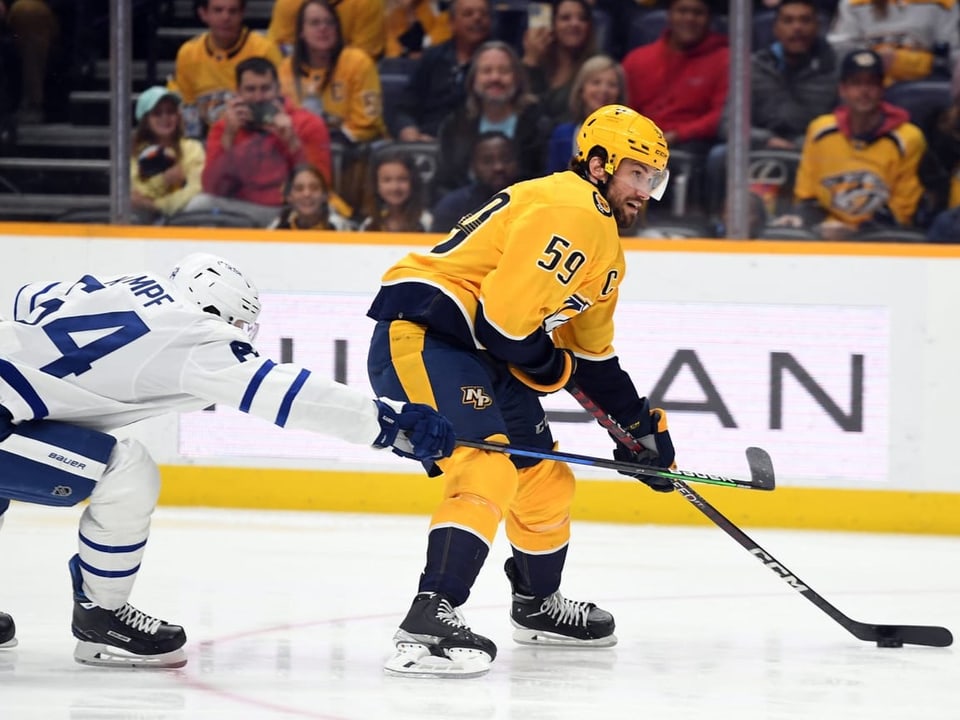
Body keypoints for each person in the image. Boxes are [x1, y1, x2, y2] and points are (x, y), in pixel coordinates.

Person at [0, 252, 455, 666]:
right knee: (125, 473)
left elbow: (25, 302)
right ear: (216, 310)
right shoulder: (195, 333)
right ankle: (102, 616)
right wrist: (386, 424)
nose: (238, 338)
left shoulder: (123, 282)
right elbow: (284, 393)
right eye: (238, 325)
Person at [365, 104, 676, 678]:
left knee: (543, 477)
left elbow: (590, 358)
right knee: (487, 466)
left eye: (654, 179)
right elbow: (507, 325)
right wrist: (550, 364)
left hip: (477, 352)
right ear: (600, 163)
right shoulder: (572, 208)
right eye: (639, 173)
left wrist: (639, 430)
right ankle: (429, 616)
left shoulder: (605, 245)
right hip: (429, 333)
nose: (646, 190)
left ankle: (536, 604)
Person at [773, 48, 926, 239]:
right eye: (856, 83)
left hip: (882, 241)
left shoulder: (908, 138)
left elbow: (901, 211)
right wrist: (804, 221)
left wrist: (853, 234)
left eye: (871, 83)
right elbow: (807, 197)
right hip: (824, 235)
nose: (864, 91)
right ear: (842, 89)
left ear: (882, 89)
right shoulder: (820, 131)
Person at [188, 56, 333, 227]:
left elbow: (321, 185)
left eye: (265, 89)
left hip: (288, 208)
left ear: (278, 89)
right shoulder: (223, 128)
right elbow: (213, 188)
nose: (258, 97)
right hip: (240, 209)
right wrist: (228, 139)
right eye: (250, 89)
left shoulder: (309, 124)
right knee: (198, 206)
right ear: (238, 93)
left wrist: (292, 142)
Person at [434, 41, 552, 197]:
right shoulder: (454, 126)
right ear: (473, 79)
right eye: (486, 71)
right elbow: (443, 185)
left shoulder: (539, 126)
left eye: (504, 71)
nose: (495, 78)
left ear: (517, 79)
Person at [168, 0, 283, 138]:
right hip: (209, 142)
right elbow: (188, 111)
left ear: (242, 13)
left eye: (232, 11)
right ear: (203, 13)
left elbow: (280, 103)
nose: (225, 17)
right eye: (218, 10)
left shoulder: (264, 50)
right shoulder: (188, 54)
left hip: (259, 137)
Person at [277, 0, 387, 144]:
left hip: (356, 147)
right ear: (301, 32)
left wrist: (325, 139)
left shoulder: (359, 62)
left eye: (329, 22)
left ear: (337, 29)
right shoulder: (286, 68)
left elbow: (368, 122)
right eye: (315, 23)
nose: (323, 28)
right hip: (300, 146)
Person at [390, 0, 492, 140]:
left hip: (477, 145)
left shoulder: (498, 60)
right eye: (468, 14)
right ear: (452, 24)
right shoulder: (433, 57)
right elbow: (404, 108)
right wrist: (410, 132)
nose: (477, 18)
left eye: (484, 14)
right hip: (427, 141)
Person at [827, 0, 959, 85]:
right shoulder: (852, 4)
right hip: (869, 81)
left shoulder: (943, 3)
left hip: (926, 80)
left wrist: (903, 62)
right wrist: (876, 59)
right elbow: (839, 50)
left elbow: (955, 54)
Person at [130, 87, 206, 224]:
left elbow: (197, 188)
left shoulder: (193, 148)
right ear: (145, 120)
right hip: (145, 220)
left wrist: (157, 205)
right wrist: (163, 181)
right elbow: (136, 195)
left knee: (200, 202)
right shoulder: (136, 153)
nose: (165, 118)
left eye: (170, 112)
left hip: (184, 218)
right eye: (157, 113)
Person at [545, 54, 626, 173]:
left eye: (612, 84)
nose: (603, 90)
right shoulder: (562, 135)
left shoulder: (629, 138)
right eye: (596, 82)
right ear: (581, 90)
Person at [521, 0, 597, 126]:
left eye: (582, 18)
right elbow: (523, 106)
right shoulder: (537, 61)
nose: (574, 23)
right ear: (553, 24)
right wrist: (531, 60)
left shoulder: (596, 67)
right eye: (565, 18)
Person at [430, 130, 520, 231]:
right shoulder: (452, 207)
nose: (498, 167)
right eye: (487, 161)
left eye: (506, 159)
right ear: (473, 166)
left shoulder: (535, 202)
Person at [268, 0, 387, 60]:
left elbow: (365, 57)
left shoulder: (367, 2)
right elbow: (278, 51)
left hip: (349, 75)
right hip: (298, 75)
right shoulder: (289, 3)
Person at [359, 149, 432, 231]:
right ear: (376, 184)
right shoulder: (369, 224)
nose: (395, 188)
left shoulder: (427, 222)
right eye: (387, 180)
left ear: (413, 182)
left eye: (402, 179)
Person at [269, 163, 356, 230]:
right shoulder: (278, 227)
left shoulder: (339, 228)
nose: (307, 194)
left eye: (314, 188)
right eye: (299, 189)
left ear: (325, 195)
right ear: (288, 197)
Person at [384, 0, 452, 58]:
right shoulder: (391, 18)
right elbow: (392, 54)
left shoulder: (439, 13)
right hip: (402, 66)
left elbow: (438, 43)